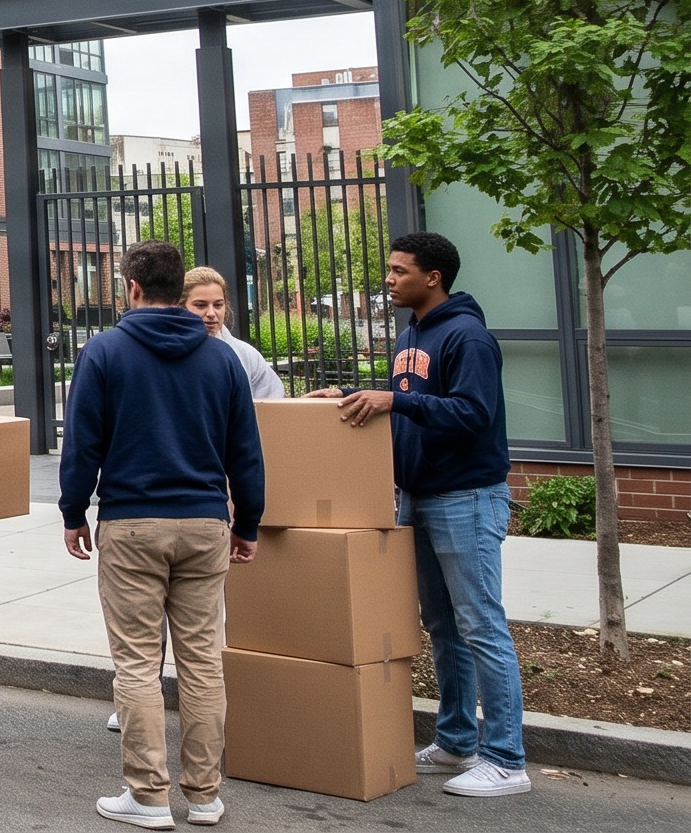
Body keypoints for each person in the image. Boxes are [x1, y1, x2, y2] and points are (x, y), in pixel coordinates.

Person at [314, 232, 527, 799]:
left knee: (482, 624)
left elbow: (472, 413)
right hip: (419, 496)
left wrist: (395, 400)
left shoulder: (468, 336)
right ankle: (457, 739)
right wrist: (355, 396)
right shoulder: (413, 334)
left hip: (465, 498)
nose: (388, 278)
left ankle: (507, 760)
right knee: (442, 625)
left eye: (398, 270)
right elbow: (408, 404)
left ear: (432, 277)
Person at [61, 240, 264, 830]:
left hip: (132, 523)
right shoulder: (221, 359)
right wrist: (247, 522)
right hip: (205, 523)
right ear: (181, 290)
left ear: (130, 287)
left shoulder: (104, 352)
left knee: (137, 664)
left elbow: (82, 446)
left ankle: (148, 796)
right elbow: (245, 454)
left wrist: (74, 513)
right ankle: (204, 796)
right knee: (203, 661)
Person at [187, 266, 281, 402]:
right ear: (181, 307)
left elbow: (273, 407)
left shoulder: (246, 354)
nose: (211, 313)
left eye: (218, 305)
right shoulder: (166, 352)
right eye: (201, 305)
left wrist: (301, 404)